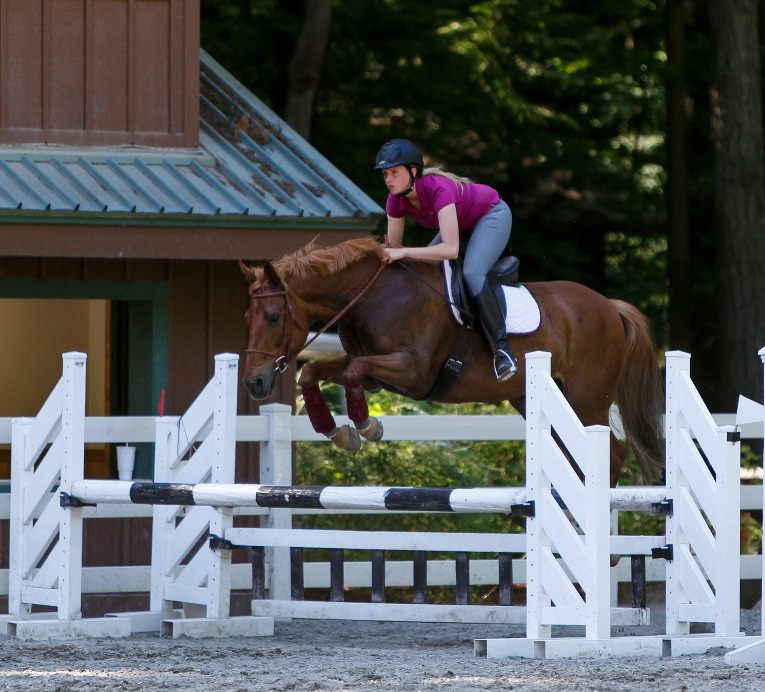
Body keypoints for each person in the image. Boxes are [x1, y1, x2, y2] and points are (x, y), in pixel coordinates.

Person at [374, 138, 518, 382]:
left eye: (394, 172)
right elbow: (394, 251)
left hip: (491, 215)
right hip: (460, 224)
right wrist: (391, 253)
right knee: (420, 269)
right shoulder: (394, 200)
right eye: (385, 174)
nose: (388, 179)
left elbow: (450, 250)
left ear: (413, 171)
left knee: (472, 273)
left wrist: (404, 252)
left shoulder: (438, 188)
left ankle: (502, 351)